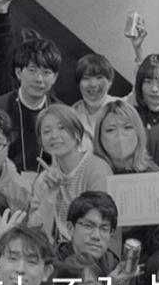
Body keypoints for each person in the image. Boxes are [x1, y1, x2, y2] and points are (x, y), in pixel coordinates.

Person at [26, 104, 114, 244]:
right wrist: (50, 195)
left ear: (77, 133)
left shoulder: (97, 169)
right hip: (54, 251)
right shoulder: (43, 179)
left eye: (62, 128)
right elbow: (35, 235)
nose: (54, 136)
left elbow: (99, 226)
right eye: (47, 131)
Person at [0, 17, 63, 174]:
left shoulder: (61, 112)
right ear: (18, 73)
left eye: (46, 73)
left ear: (55, 78)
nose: (39, 79)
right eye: (32, 70)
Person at [72, 52, 121, 136]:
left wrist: (138, 51)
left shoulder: (122, 107)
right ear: (78, 84)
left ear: (110, 82)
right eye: (86, 78)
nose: (93, 84)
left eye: (99, 77)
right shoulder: (71, 114)